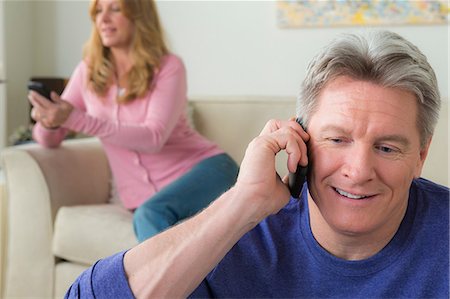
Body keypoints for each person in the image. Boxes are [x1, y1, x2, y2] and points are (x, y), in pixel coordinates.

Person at [65, 30, 449, 298]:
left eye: (386, 148)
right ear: (300, 138)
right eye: (336, 139)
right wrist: (242, 203)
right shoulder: (236, 236)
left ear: (420, 156)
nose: (359, 169)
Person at [28, 0, 239, 242]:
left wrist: (75, 118)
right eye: (98, 11)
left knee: (149, 215)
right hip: (150, 201)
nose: (103, 19)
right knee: (154, 215)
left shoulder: (168, 67)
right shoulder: (87, 72)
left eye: (115, 9)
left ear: (138, 16)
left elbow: (153, 138)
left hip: (209, 171)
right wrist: (48, 121)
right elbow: (49, 139)